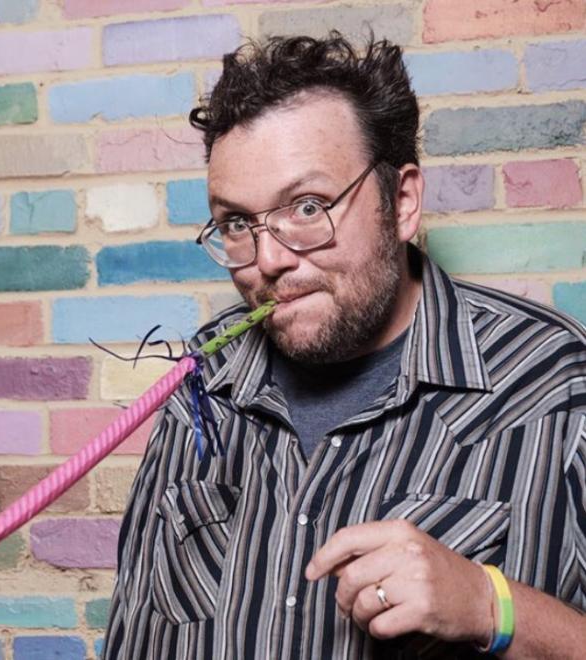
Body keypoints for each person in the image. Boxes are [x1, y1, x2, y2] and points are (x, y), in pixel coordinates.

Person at [102, 33, 585, 659]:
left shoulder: (554, 381)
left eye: (308, 207)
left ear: (402, 202)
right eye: (238, 223)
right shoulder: (203, 382)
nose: (268, 261)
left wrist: (488, 604)